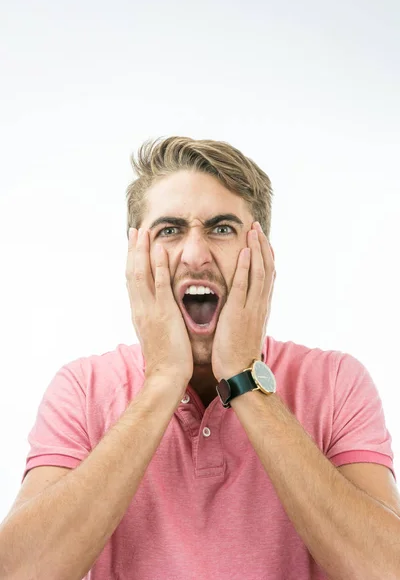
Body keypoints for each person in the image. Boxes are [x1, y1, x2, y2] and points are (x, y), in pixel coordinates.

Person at [0, 136, 399, 580]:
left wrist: (245, 377)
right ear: (136, 258)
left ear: (262, 254)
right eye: (169, 230)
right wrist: (164, 379)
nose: (195, 255)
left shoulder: (336, 381)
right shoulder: (83, 387)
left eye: (222, 228)